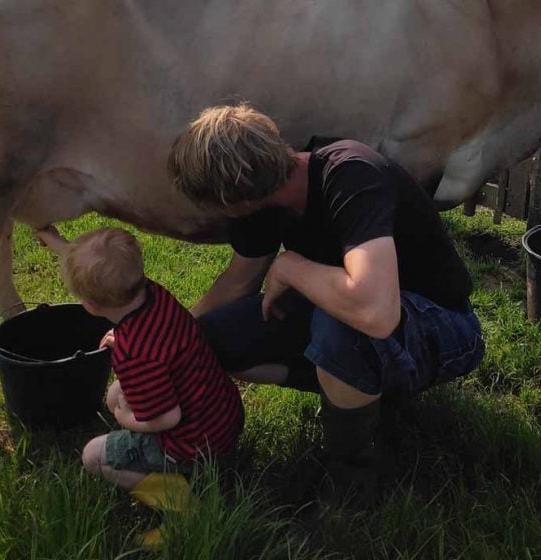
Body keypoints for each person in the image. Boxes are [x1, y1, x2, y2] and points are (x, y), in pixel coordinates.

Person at [167, 103, 484, 496]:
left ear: (235, 198)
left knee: (341, 328)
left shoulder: (351, 173)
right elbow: (236, 284)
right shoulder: (264, 201)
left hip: (445, 326)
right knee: (209, 339)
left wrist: (291, 268)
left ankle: (352, 477)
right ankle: (356, 395)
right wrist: (161, 338)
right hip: (351, 314)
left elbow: (376, 311)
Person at [35, 226, 245, 513]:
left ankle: (179, 501)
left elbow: (168, 417)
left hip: (192, 445)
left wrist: (125, 417)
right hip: (225, 416)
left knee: (93, 455)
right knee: (115, 394)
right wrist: (51, 238)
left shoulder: (133, 354)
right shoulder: (155, 294)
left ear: (91, 306)